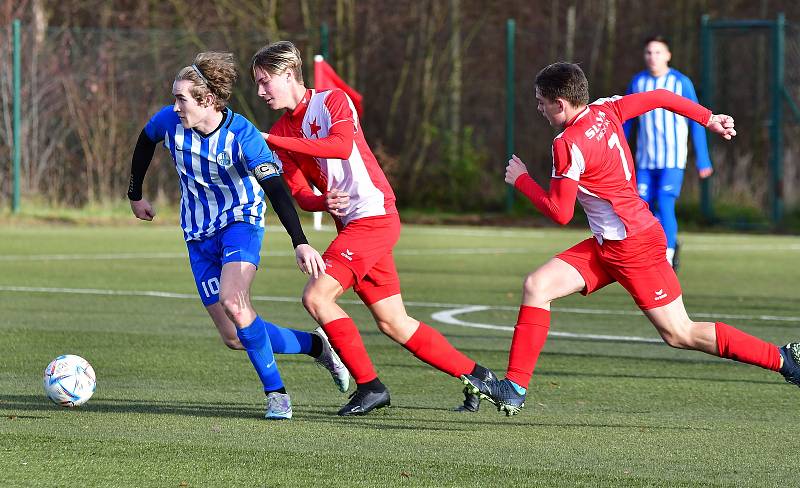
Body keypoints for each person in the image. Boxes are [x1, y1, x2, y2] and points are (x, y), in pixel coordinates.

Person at [462, 62, 800, 416]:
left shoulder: (567, 144)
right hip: (612, 242)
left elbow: (560, 213)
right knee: (537, 285)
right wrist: (708, 117)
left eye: (541, 102)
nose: (539, 108)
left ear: (561, 104)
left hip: (633, 246)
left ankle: (785, 359)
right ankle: (514, 388)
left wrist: (522, 181)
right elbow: (661, 97)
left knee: (680, 332)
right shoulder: (606, 108)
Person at [250, 41, 495, 416]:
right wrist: (321, 202)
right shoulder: (283, 131)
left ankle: (370, 386)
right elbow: (299, 192)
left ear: (288, 74)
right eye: (258, 83)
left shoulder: (332, 101)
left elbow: (340, 144)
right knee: (394, 322)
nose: (260, 91)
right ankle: (480, 377)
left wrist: (269, 139)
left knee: (317, 297)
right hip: (354, 226)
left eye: (266, 82)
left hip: (375, 217)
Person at [127, 51, 350, 420]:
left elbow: (276, 188)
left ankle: (277, 395)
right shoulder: (169, 121)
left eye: (181, 98)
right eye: (174, 97)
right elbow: (144, 141)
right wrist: (135, 195)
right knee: (233, 336)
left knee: (235, 300)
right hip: (198, 233)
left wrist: (300, 240)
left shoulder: (242, 135)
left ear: (207, 100)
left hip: (240, 223)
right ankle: (315, 345)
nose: (175, 105)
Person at [623, 35, 713, 270]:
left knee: (664, 203)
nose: (653, 57)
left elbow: (697, 119)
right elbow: (626, 121)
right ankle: (652, 248)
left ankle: (668, 256)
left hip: (673, 159)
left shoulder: (681, 83)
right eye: (649, 53)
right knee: (642, 206)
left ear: (668, 55)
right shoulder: (637, 82)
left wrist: (703, 158)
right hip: (645, 160)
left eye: (658, 52)